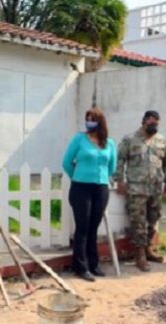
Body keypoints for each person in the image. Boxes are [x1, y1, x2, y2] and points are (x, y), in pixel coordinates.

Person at [62, 107, 117, 282]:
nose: (89, 122)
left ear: (100, 122)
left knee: (94, 227)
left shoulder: (109, 143)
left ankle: (94, 264)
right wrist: (77, 176)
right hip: (81, 188)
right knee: (83, 227)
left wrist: (100, 177)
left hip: (100, 188)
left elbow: (112, 166)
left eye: (93, 119)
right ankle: (81, 266)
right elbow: (66, 162)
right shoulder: (79, 139)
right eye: (87, 119)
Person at [115, 110, 166, 271]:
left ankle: (148, 249)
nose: (154, 126)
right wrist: (119, 180)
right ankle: (139, 255)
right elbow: (120, 160)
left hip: (155, 189)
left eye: (156, 124)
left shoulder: (161, 140)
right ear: (143, 122)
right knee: (138, 222)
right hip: (136, 189)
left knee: (153, 220)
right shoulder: (129, 139)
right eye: (151, 123)